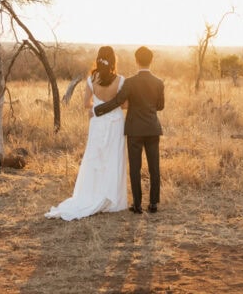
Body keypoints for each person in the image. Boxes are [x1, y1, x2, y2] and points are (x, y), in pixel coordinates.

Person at [45, 46, 128, 221]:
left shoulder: (91, 80)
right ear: (113, 60)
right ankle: (113, 199)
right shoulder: (121, 81)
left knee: (95, 158)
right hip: (115, 124)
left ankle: (92, 193)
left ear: (98, 59)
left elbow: (86, 104)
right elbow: (125, 105)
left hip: (97, 123)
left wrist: (96, 107)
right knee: (114, 158)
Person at [94, 46, 164, 214]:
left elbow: (118, 101)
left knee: (135, 168)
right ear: (151, 60)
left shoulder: (130, 82)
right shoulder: (159, 82)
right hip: (153, 128)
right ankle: (153, 204)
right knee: (155, 167)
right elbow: (160, 106)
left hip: (134, 130)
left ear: (136, 60)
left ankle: (138, 204)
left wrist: (99, 110)